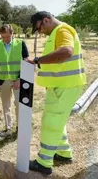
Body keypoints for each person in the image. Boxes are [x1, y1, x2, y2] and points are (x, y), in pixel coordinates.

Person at [27, 11, 87, 175]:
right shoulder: (57, 32)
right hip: (62, 86)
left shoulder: (61, 30)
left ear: (45, 20)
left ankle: (44, 162)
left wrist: (38, 60)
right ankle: (63, 153)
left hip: (66, 86)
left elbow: (67, 52)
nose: (39, 32)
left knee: (50, 122)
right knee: (57, 121)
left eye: (38, 28)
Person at [0, 24, 29, 137]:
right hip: (3, 80)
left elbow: (27, 62)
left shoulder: (20, 43)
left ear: (12, 34)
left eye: (7, 36)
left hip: (17, 80)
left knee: (19, 103)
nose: (5, 39)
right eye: (3, 37)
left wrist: (19, 78)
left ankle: (19, 127)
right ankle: (8, 127)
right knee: (5, 105)